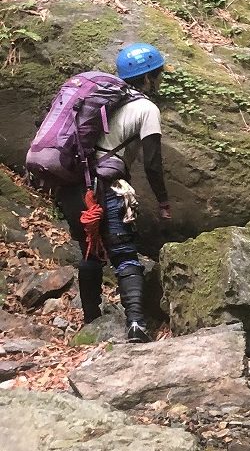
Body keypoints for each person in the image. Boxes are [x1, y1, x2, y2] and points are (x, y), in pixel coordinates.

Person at [56, 42, 172, 343]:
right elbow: (153, 164)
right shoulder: (146, 108)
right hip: (106, 185)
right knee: (123, 252)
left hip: (74, 187)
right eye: (157, 75)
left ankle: (91, 323)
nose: (158, 81)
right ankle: (135, 324)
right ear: (146, 78)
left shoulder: (103, 102)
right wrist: (163, 202)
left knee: (90, 249)